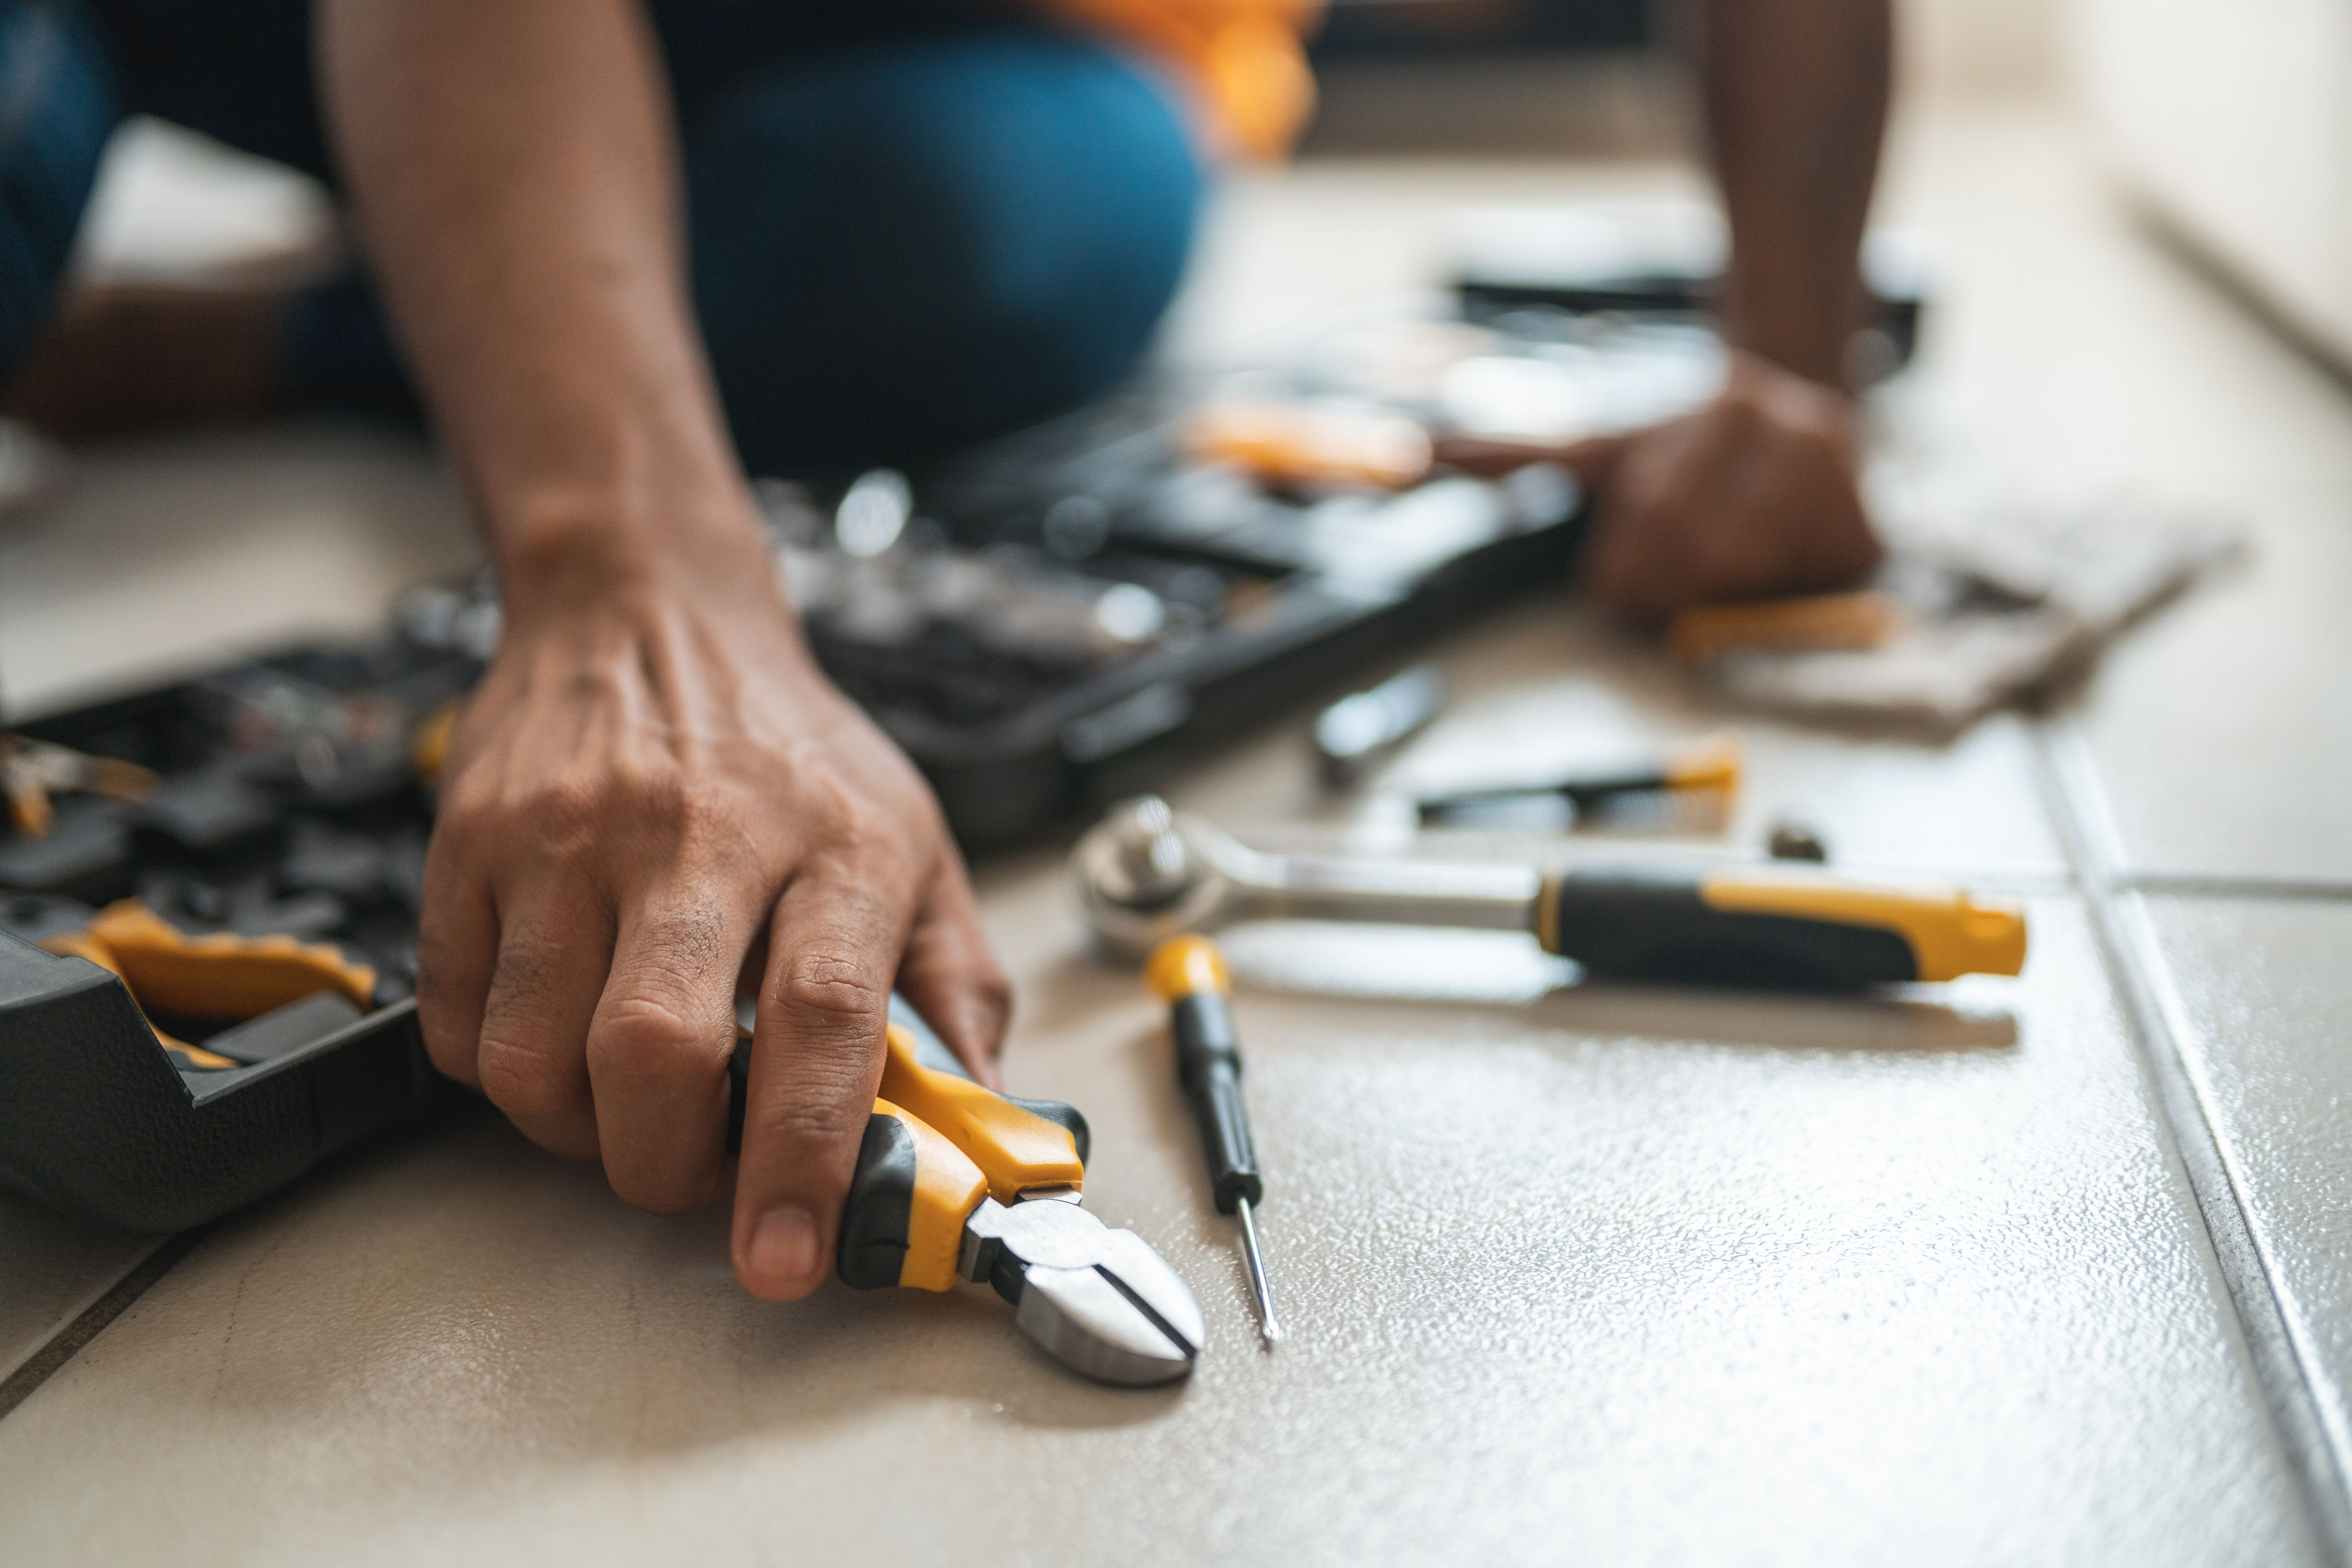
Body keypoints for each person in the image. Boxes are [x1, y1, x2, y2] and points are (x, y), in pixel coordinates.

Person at [0, 0, 1889, 1303]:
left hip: (974, 64)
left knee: (966, 247)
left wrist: (1786, 375)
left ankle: (276, 332)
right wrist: (631, 575)